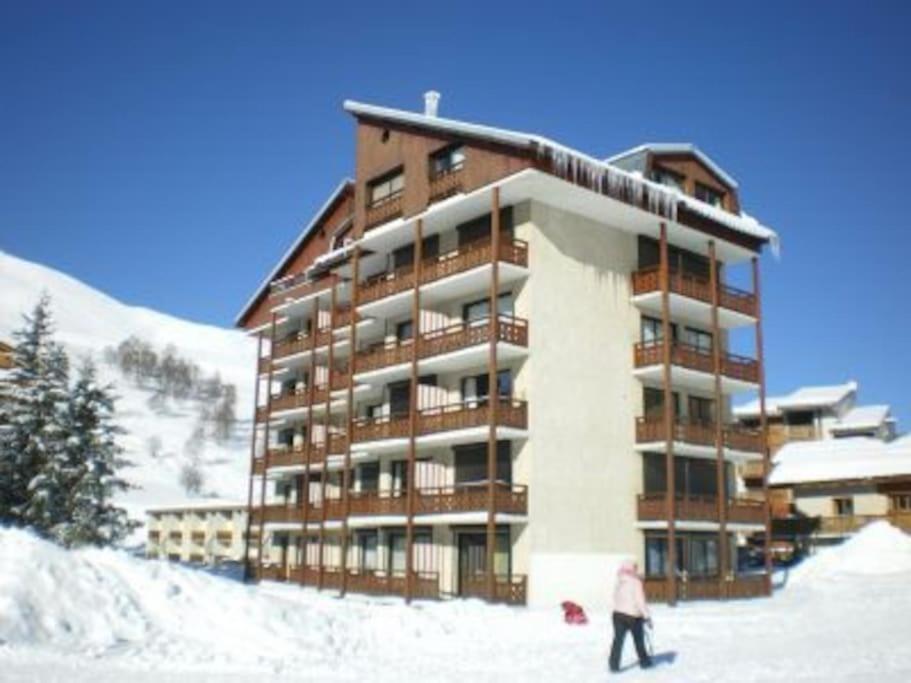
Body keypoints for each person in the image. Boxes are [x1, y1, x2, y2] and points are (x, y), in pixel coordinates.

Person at [609, 559, 653, 673]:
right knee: (639, 641)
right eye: (635, 567)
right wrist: (647, 617)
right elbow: (640, 601)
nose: (637, 569)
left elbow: (614, 597)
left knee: (617, 641)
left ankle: (613, 665)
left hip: (617, 615)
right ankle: (645, 663)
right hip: (633, 616)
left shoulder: (619, 581)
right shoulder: (635, 582)